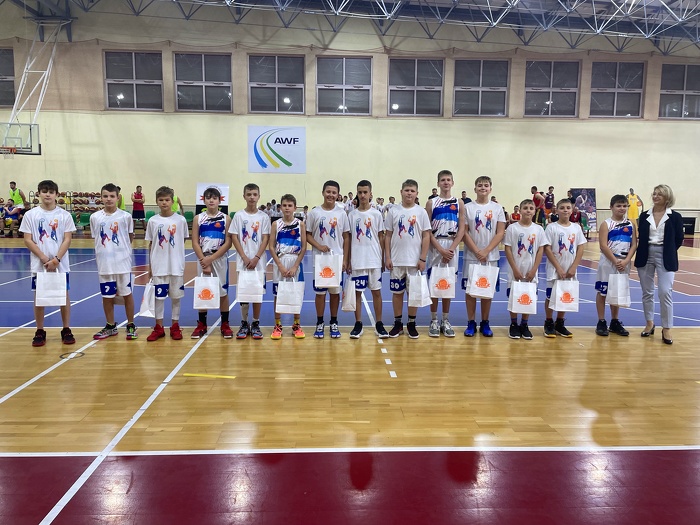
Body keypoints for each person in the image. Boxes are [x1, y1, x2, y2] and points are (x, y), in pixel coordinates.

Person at [20, 180, 76, 347]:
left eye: (51, 192)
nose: (48, 194)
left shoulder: (64, 215)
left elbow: (67, 239)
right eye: (44, 191)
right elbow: (27, 240)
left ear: (57, 194)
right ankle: (40, 330)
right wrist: (44, 258)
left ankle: (66, 329)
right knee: (39, 296)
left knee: (64, 295)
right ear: (38, 193)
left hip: (60, 264)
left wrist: (56, 259)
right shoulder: (31, 215)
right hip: (40, 264)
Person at [635, 185, 684, 344]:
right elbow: (641, 236)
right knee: (647, 292)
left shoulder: (675, 217)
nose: (655, 196)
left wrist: (668, 250)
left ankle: (667, 328)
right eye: (654, 194)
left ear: (667, 198)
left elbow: (679, 239)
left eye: (660, 194)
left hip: (666, 255)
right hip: (645, 254)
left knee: (665, 292)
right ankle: (649, 323)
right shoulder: (644, 215)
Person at [90, 183, 138, 341]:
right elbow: (96, 238)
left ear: (118, 198)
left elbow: (130, 237)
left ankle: (131, 324)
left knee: (127, 294)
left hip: (122, 263)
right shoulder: (95, 217)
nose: (108, 199)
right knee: (107, 296)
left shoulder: (125, 217)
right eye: (105, 196)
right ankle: (110, 326)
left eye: (112, 196)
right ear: (101, 198)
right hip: (104, 264)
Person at [385, 179, 431, 338]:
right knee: (397, 293)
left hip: (414, 262)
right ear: (401, 192)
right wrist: (388, 257)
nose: (409, 193)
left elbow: (426, 236)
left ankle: (411, 323)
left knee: (413, 294)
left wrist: (423, 258)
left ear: (417, 193)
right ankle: (398, 324)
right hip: (397, 261)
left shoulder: (421, 212)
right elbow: (388, 235)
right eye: (407, 190)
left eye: (412, 191)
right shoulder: (393, 211)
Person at [306, 180, 351, 339]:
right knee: (320, 294)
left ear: (338, 195)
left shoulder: (342, 213)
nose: (331, 195)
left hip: (336, 259)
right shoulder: (314, 213)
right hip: (319, 260)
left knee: (334, 293)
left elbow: (346, 237)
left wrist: (345, 259)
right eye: (328, 192)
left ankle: (334, 322)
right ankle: (319, 322)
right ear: (323, 192)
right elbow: (307, 235)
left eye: (334, 192)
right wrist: (319, 246)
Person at [462, 176, 506, 337]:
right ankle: (471, 322)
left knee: (486, 291)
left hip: (491, 256)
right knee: (470, 291)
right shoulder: (467, 208)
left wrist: (486, 251)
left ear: (490, 189)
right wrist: (476, 251)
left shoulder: (497, 208)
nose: (482, 188)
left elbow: (500, 232)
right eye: (479, 185)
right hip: (471, 256)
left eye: (486, 185)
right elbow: (464, 232)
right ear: (475, 189)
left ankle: (485, 322)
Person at [144, 186, 189, 341]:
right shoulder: (153, 221)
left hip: (176, 266)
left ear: (172, 201)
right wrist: (150, 266)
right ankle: (159, 327)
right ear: (157, 201)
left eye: (167, 200)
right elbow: (151, 244)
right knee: (159, 298)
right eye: (161, 200)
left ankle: (175, 326)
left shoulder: (181, 220)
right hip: (159, 266)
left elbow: (183, 240)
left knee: (176, 298)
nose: (164, 202)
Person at [425, 169, 465, 338]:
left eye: (448, 180)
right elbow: (427, 230)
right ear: (438, 183)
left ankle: (445, 320)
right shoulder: (431, 203)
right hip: (436, 245)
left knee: (448, 284)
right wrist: (440, 249)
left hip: (452, 245)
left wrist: (452, 248)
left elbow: (462, 228)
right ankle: (434, 319)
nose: (446, 182)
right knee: (435, 284)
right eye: (443, 180)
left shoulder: (459, 202)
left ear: (452, 183)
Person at [229, 183, 270, 340]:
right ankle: (244, 323)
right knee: (244, 294)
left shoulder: (263, 217)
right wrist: (245, 258)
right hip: (243, 263)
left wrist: (257, 257)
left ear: (259, 196)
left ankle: (256, 323)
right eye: (249, 194)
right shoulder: (239, 216)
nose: (252, 197)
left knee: (257, 294)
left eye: (254, 194)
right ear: (244, 196)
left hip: (259, 263)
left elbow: (265, 238)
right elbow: (234, 237)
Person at [347, 180, 388, 338]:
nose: (362, 195)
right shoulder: (352, 215)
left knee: (376, 293)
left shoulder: (377, 214)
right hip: (357, 261)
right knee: (357, 293)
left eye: (365, 192)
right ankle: (358, 324)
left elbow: (381, 237)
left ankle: (379, 324)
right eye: (360, 192)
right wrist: (348, 260)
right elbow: (349, 239)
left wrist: (383, 258)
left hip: (374, 260)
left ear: (371, 194)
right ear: (357, 194)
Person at [190, 187, 233, 339]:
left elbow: (228, 242)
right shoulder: (198, 218)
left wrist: (212, 258)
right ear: (204, 200)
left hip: (219, 259)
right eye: (208, 198)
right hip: (203, 258)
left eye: (214, 198)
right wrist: (204, 260)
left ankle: (225, 324)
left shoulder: (226, 219)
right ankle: (202, 324)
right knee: (203, 290)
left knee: (223, 292)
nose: (211, 200)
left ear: (220, 200)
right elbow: (195, 241)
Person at [543, 199, 587, 338]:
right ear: (557, 210)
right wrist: (558, 268)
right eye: (562, 208)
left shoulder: (576, 228)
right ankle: (548, 322)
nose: (565, 210)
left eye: (568, 207)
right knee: (550, 296)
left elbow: (580, 247)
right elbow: (547, 248)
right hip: (554, 269)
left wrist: (574, 267)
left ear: (572, 209)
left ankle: (560, 323)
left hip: (570, 270)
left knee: (565, 295)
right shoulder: (551, 227)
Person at [504, 199, 547, 339]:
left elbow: (540, 250)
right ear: (520, 210)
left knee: (528, 296)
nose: (528, 210)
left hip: (531, 270)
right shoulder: (512, 228)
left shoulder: (539, 229)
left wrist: (534, 269)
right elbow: (508, 249)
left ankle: (524, 324)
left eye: (531, 208)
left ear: (534, 211)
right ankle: (513, 324)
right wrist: (515, 269)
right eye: (525, 208)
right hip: (515, 269)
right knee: (514, 296)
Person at [595, 195, 637, 337]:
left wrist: (627, 260)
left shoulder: (631, 224)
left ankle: (614, 321)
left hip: (624, 263)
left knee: (617, 291)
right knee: (603, 291)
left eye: (624, 206)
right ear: (611, 207)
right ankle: (601, 321)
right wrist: (615, 261)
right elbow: (603, 245)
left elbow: (634, 245)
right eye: (618, 206)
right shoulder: (606, 224)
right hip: (608, 262)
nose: (622, 208)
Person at [269, 193, 306, 339]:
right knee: (277, 294)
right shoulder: (276, 224)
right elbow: (271, 247)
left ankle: (296, 324)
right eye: (284, 205)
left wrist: (295, 266)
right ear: (280, 207)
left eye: (290, 205)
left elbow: (304, 247)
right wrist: (280, 266)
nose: (287, 208)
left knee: (296, 293)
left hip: (295, 261)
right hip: (281, 261)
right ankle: (277, 325)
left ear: (295, 208)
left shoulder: (300, 224)